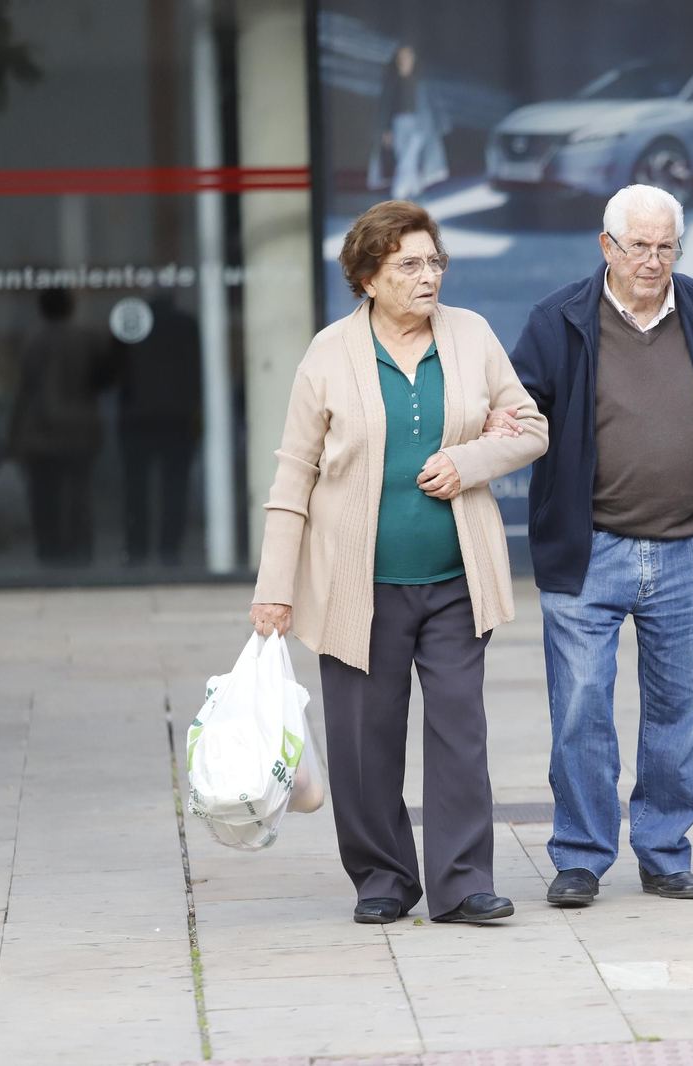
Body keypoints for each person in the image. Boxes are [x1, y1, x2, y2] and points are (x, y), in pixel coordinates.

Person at [248, 200, 547, 925]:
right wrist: (274, 591)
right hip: (359, 587)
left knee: (458, 733)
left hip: (454, 581)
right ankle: (382, 878)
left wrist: (470, 458)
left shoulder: (471, 337)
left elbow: (531, 426)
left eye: (434, 261)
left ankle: (462, 882)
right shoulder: (327, 355)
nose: (428, 276)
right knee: (363, 743)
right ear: (368, 277)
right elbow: (294, 478)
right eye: (408, 264)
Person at [507, 184, 693, 909]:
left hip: (691, 550)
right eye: (638, 246)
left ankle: (664, 849)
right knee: (581, 707)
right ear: (607, 247)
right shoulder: (558, 319)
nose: (652, 261)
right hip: (587, 550)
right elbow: (516, 415)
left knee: (680, 712)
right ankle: (581, 857)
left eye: (665, 247)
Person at [7, 288, 106, 565]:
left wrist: (14, 438)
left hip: (43, 434)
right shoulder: (86, 339)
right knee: (79, 496)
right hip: (80, 431)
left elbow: (24, 392)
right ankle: (80, 551)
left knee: (45, 499)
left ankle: (50, 551)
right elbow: (105, 377)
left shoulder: (34, 341)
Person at [113, 295, 201, 567]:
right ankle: (168, 550)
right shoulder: (186, 326)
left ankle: (138, 550)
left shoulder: (132, 329)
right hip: (175, 418)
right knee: (174, 488)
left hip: (139, 418)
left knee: (137, 489)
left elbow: (115, 372)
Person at [368, 44, 448, 200]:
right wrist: (385, 129)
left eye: (408, 56)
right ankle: (414, 189)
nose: (405, 60)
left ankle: (399, 191)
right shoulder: (391, 81)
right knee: (403, 156)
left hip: (419, 124)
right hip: (398, 124)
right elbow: (385, 107)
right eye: (401, 57)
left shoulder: (421, 79)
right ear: (397, 59)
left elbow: (432, 103)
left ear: (413, 58)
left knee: (409, 155)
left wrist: (439, 124)